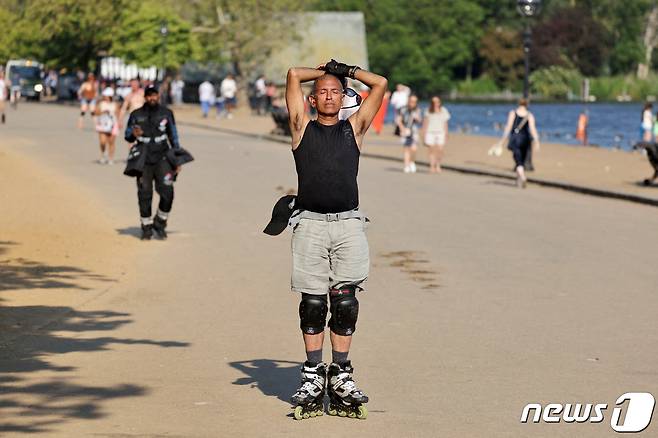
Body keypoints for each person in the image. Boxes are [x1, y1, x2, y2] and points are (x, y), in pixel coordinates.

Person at [283, 59, 387, 420]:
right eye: (322, 92)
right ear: (312, 101)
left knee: (345, 302)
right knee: (313, 302)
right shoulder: (301, 128)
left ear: (344, 98)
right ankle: (313, 373)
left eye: (335, 92)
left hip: (348, 225)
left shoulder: (353, 129)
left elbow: (381, 83)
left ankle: (341, 373)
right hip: (309, 224)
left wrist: (347, 71)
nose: (328, 96)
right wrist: (324, 70)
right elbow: (294, 76)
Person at [124, 86, 182, 240]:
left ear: (158, 96)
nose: (152, 98)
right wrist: (132, 133)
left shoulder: (167, 113)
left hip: (163, 157)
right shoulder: (136, 115)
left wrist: (177, 159)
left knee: (168, 192)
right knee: (144, 194)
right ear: (145, 97)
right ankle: (146, 227)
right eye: (149, 96)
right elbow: (127, 135)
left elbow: (173, 136)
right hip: (143, 158)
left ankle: (160, 222)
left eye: (154, 95)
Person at [500, 98, 540, 188]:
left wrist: (503, 139)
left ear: (519, 103)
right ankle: (518, 180)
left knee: (518, 160)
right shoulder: (529, 115)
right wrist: (537, 141)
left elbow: (508, 126)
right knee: (522, 159)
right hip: (526, 139)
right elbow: (533, 129)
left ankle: (522, 177)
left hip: (516, 138)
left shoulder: (513, 113)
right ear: (526, 105)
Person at [421, 96, 451, 173]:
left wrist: (446, 133)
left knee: (440, 150)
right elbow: (425, 123)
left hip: (440, 132)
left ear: (440, 102)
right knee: (431, 150)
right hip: (430, 132)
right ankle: (432, 166)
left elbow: (445, 123)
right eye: (434, 102)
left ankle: (438, 165)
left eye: (437, 102)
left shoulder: (444, 110)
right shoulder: (428, 111)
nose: (436, 104)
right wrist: (423, 134)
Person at [396, 95, 422, 173]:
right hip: (405, 130)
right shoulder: (403, 109)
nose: (412, 103)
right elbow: (398, 120)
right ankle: (406, 165)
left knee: (414, 148)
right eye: (411, 101)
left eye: (414, 102)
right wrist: (402, 128)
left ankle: (412, 162)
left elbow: (420, 121)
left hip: (413, 131)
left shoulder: (417, 110)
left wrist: (417, 118)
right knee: (406, 148)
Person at [94, 87, 120, 164]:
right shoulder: (101, 104)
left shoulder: (115, 104)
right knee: (102, 142)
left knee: (111, 142)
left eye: (106, 95)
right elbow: (96, 113)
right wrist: (103, 112)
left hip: (113, 124)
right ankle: (103, 154)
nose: (105, 97)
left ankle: (110, 158)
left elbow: (117, 114)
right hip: (103, 124)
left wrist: (118, 123)